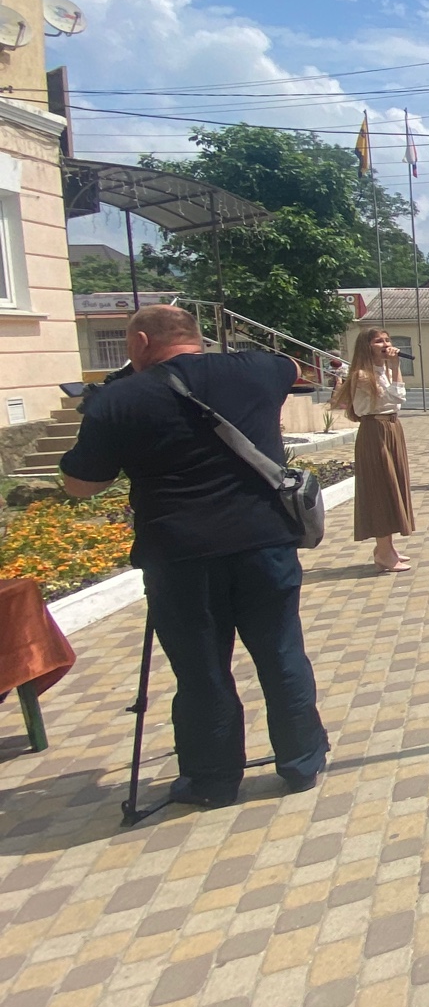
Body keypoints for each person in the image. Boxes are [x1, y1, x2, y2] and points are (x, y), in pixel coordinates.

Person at [60, 303, 329, 808]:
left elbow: (81, 485)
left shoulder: (120, 400)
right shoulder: (256, 369)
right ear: (199, 336)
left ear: (139, 342)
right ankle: (302, 761)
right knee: (282, 653)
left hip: (180, 556)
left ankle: (211, 780)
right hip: (265, 544)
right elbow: (294, 367)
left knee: (203, 670)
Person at [335, 328, 417, 573]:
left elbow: (396, 400)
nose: (385, 343)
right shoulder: (362, 375)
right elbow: (393, 399)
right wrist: (395, 367)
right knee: (382, 487)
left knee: (394, 485)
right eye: (378, 341)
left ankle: (387, 548)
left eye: (387, 339)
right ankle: (383, 551)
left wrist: (392, 367)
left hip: (391, 428)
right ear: (366, 346)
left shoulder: (381, 371)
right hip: (376, 431)